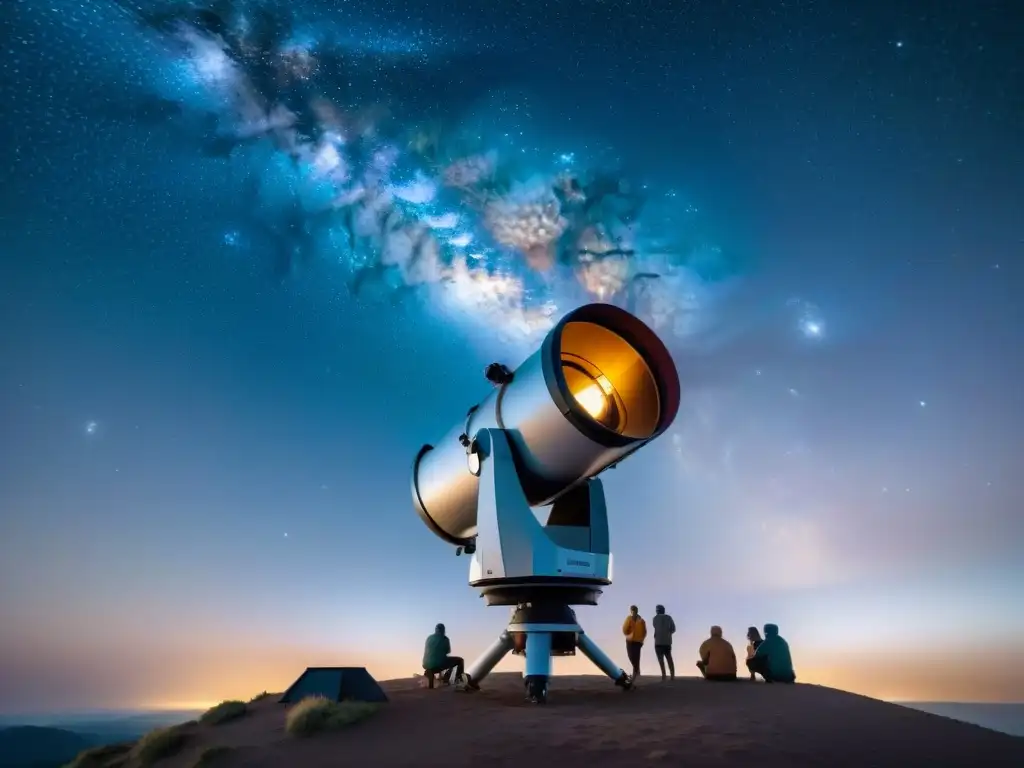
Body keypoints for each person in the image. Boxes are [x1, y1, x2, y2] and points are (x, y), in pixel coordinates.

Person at [622, 605, 647, 681]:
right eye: (632, 610)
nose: (633, 611)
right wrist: (628, 633)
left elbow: (644, 632)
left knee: (636, 657)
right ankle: (637, 670)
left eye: (634, 610)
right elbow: (624, 629)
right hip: (630, 640)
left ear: (637, 611)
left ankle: (635, 673)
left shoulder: (642, 621)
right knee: (631, 656)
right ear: (631, 611)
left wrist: (642, 640)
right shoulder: (629, 618)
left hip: (638, 642)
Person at [651, 604, 676, 681]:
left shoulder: (654, 618)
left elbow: (655, 627)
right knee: (669, 658)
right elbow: (673, 629)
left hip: (658, 641)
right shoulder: (669, 618)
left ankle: (664, 675)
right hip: (667, 642)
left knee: (660, 660)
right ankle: (672, 675)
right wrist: (668, 633)